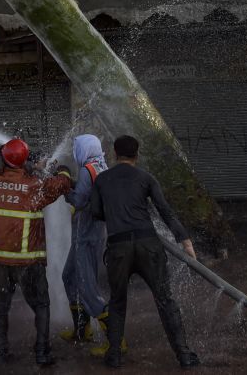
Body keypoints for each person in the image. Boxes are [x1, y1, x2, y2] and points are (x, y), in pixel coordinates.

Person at [89, 135, 200, 369]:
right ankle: (184, 356)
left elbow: (96, 212)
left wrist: (117, 212)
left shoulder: (101, 180)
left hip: (118, 248)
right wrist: (185, 240)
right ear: (137, 155)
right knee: (165, 301)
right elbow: (165, 211)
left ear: (114, 153)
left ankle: (114, 356)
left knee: (117, 303)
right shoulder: (146, 178)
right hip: (148, 245)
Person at [0, 138, 73, 367]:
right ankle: (42, 353)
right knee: (41, 304)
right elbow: (62, 185)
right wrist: (60, 169)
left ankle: (1, 353)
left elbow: (10, 176)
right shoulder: (35, 187)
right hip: (27, 261)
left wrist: (30, 166)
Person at [59, 134, 113, 348]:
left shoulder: (85, 169)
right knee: (69, 276)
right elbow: (90, 193)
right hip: (93, 232)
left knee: (86, 285)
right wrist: (73, 185)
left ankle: (116, 340)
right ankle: (82, 329)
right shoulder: (100, 166)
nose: (75, 151)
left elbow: (79, 200)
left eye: (76, 148)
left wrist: (65, 190)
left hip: (86, 233)